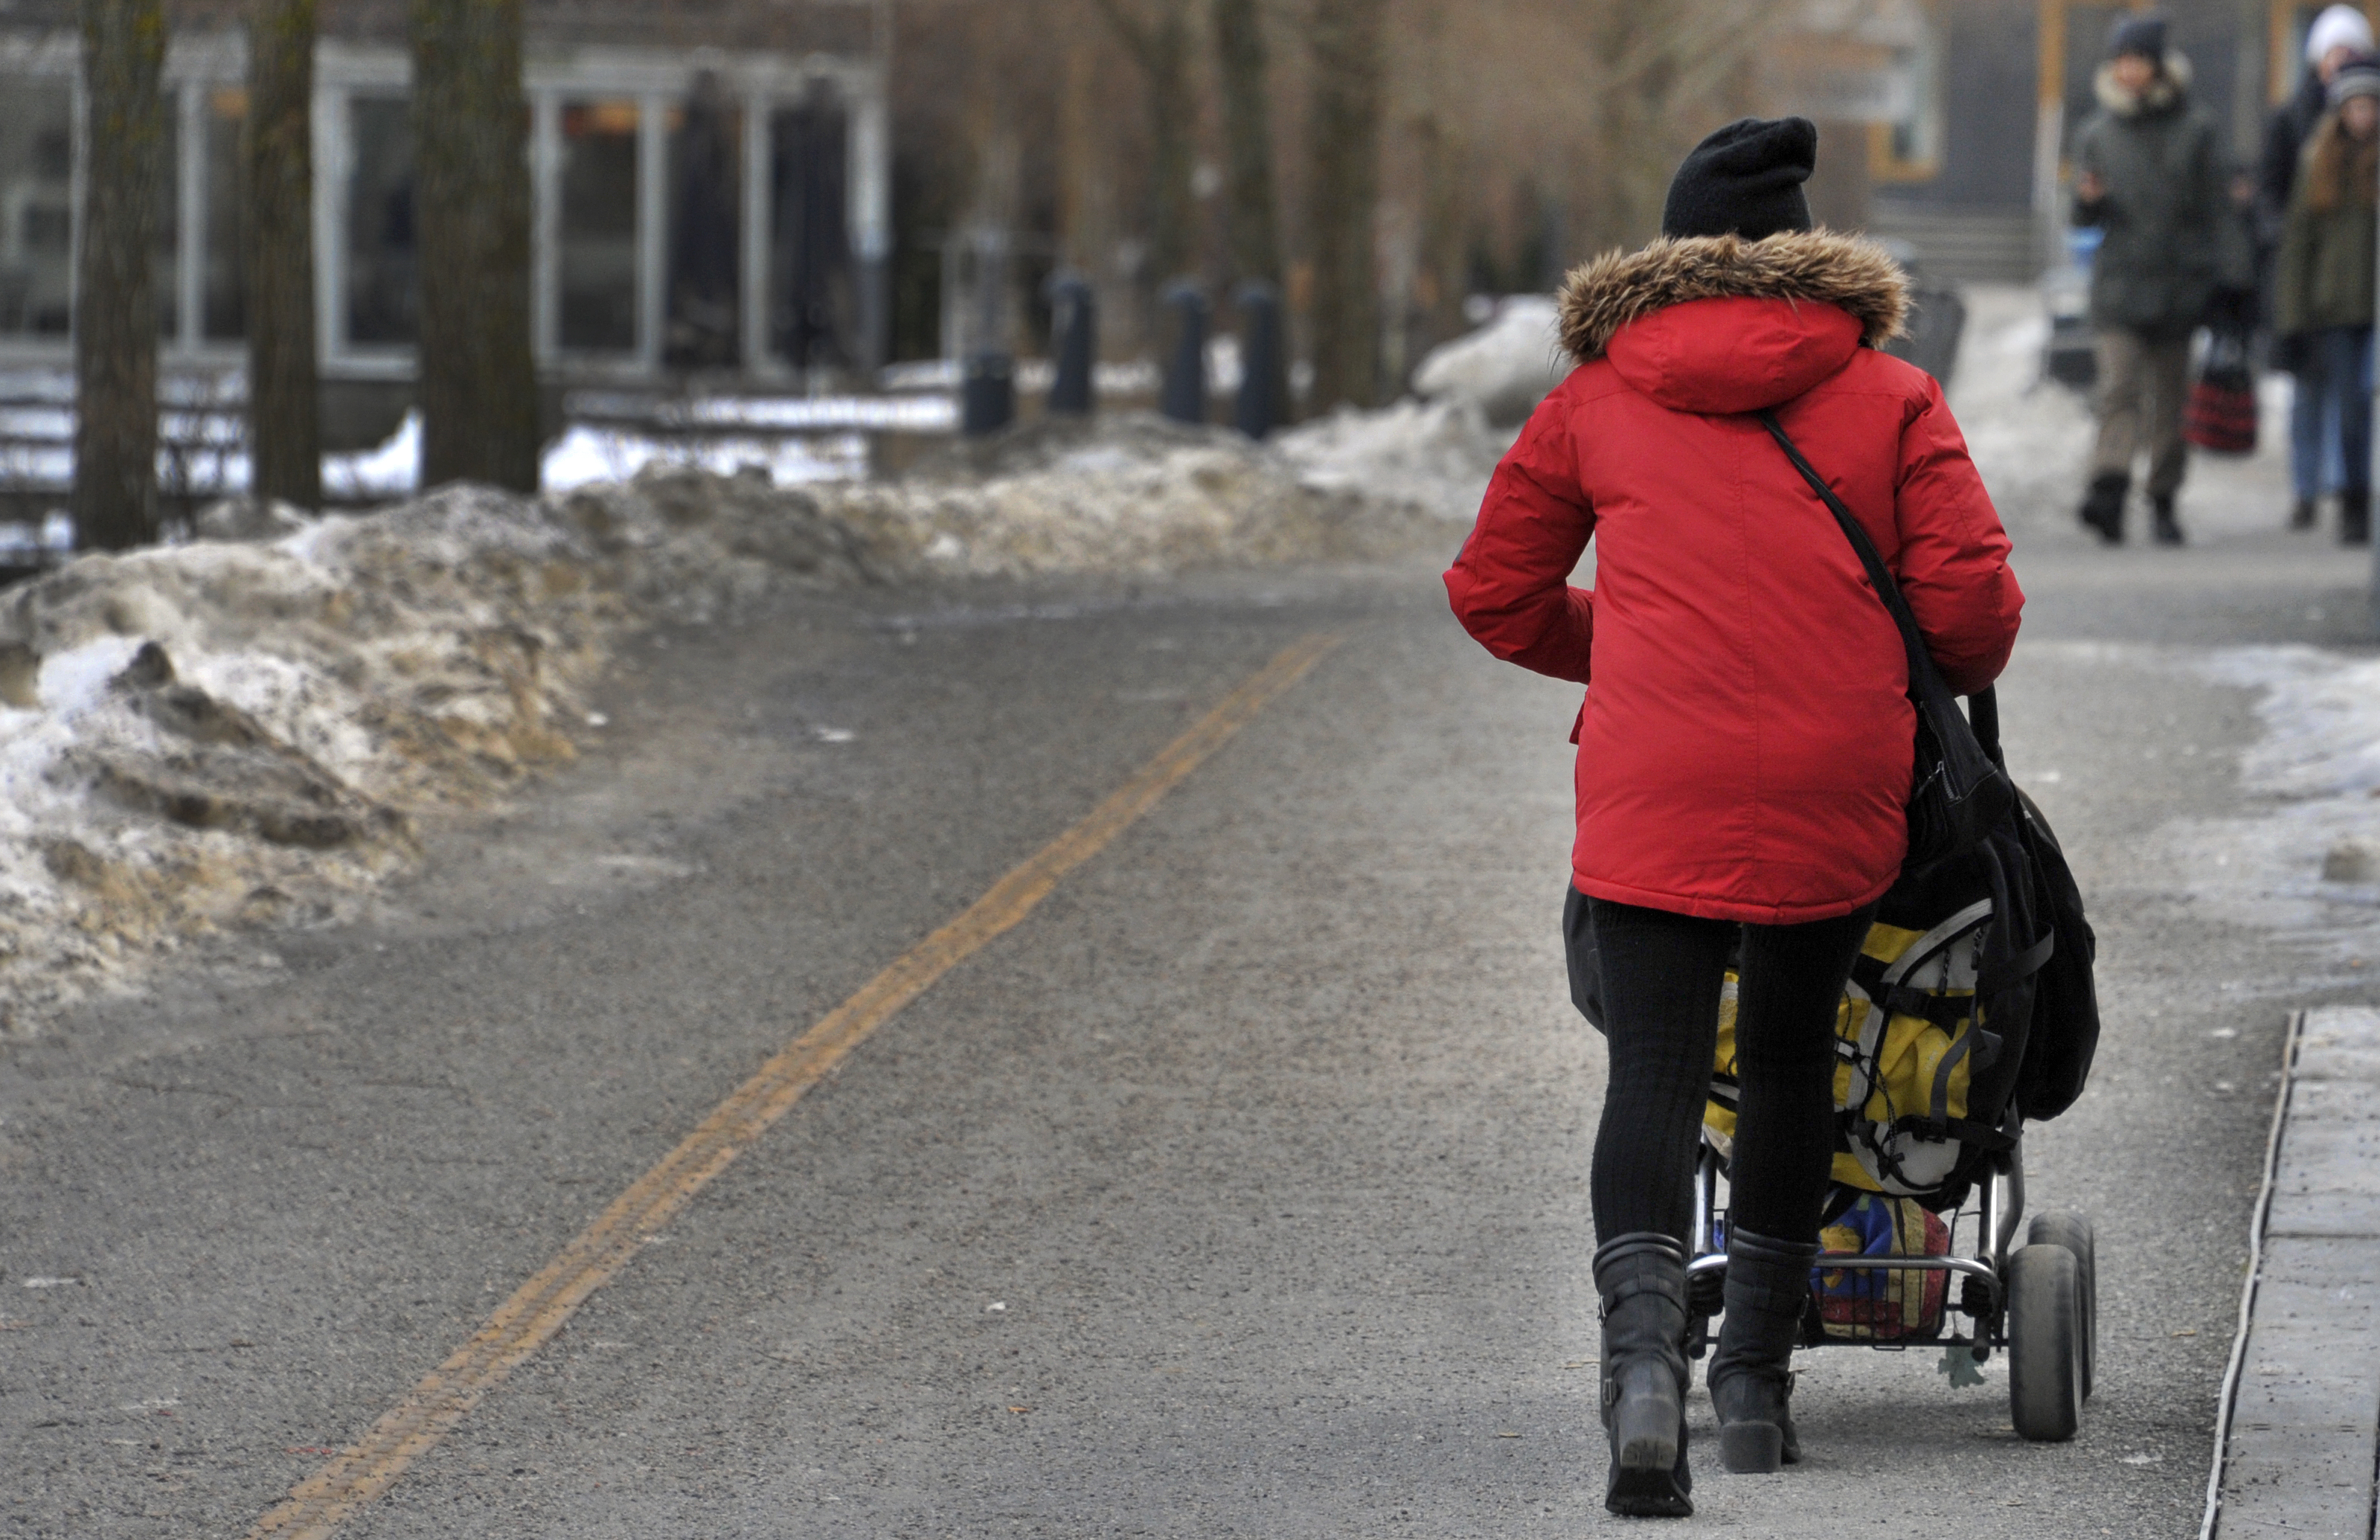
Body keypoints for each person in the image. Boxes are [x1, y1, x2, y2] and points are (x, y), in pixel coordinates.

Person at [1443, 118, 2023, 1517]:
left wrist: (1640, 647)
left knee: (1647, 1071)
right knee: (1783, 1062)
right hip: (1833, 781)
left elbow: (1491, 591)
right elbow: (1967, 620)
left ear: (1670, 250)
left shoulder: (1592, 395)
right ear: (1804, 247)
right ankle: (1753, 1386)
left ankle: (1640, 1376)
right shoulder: (1888, 393)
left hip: (1653, 777)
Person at [2071, 12, 2250, 546]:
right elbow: (2081, 221)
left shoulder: (2197, 129)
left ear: (2158, 66)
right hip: (2119, 287)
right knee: (2117, 390)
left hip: (2179, 286)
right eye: (2120, 61)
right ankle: (2107, 489)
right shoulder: (2096, 134)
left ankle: (2163, 498)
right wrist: (2087, 205)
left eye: (2138, 61)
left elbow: (2219, 210)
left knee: (2169, 404)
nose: (2128, 71)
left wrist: (2233, 278)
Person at [2261, 4, 2374, 530]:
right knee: (2316, 396)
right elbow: (2286, 219)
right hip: (2324, 291)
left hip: (2360, 295)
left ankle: (2347, 485)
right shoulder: (2298, 133)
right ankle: (2313, 489)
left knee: (2354, 401)